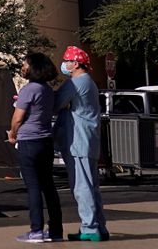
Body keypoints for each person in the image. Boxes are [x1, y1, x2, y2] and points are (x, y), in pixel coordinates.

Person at [54, 46, 108, 242]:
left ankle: (90, 226)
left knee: (81, 186)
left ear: (75, 64)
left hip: (78, 141)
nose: (64, 64)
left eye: (67, 61)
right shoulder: (89, 83)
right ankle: (99, 226)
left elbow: (55, 103)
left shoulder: (75, 83)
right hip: (88, 140)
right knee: (91, 186)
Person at [8, 52, 62, 243]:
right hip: (46, 141)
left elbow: (17, 118)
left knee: (33, 187)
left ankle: (36, 230)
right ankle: (56, 230)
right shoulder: (47, 90)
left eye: (25, 63)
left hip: (29, 141)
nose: (23, 66)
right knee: (48, 186)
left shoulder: (28, 90)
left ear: (34, 67)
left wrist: (13, 135)